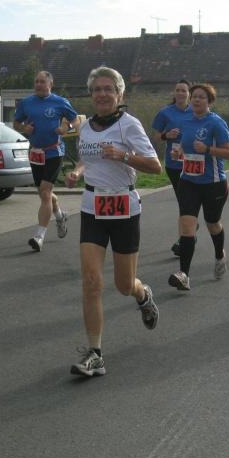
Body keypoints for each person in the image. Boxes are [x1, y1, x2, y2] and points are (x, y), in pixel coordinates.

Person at [64, 67, 162, 377]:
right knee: (91, 281)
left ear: (119, 94)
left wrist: (124, 156)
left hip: (124, 208)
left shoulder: (129, 124)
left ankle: (142, 294)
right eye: (97, 89)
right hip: (92, 207)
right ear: (91, 94)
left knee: (123, 285)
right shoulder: (85, 127)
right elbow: (89, 157)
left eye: (109, 89)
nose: (103, 94)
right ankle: (95, 353)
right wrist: (77, 172)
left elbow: (156, 166)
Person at [168, 83, 229, 291]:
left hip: (213, 183)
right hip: (188, 181)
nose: (196, 100)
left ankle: (219, 255)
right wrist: (178, 152)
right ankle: (184, 274)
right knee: (187, 225)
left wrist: (207, 149)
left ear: (209, 101)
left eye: (201, 97)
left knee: (212, 223)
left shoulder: (216, 123)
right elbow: (184, 145)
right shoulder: (186, 121)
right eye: (194, 96)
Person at [13, 71, 81, 252]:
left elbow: (76, 120)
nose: (38, 84)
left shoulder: (60, 102)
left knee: (44, 192)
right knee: (44, 194)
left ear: (51, 84)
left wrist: (66, 127)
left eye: (42, 82)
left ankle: (39, 236)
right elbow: (16, 123)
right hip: (35, 152)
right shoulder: (26, 103)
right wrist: (24, 128)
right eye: (36, 81)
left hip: (54, 151)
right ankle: (60, 215)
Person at [152, 79, 192, 256]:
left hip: (194, 162)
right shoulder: (165, 113)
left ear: (189, 94)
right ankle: (185, 237)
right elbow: (155, 136)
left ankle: (189, 229)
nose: (181, 93)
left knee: (188, 202)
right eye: (178, 90)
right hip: (174, 164)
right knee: (184, 202)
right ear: (174, 93)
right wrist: (166, 135)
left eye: (184, 90)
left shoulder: (196, 111)